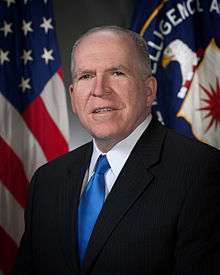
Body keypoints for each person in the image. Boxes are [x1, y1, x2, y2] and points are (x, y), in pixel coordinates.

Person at [12, 26, 220, 275]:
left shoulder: (202, 172)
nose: (99, 89)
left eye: (117, 73)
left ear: (149, 90)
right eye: (86, 76)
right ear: (73, 96)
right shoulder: (47, 181)